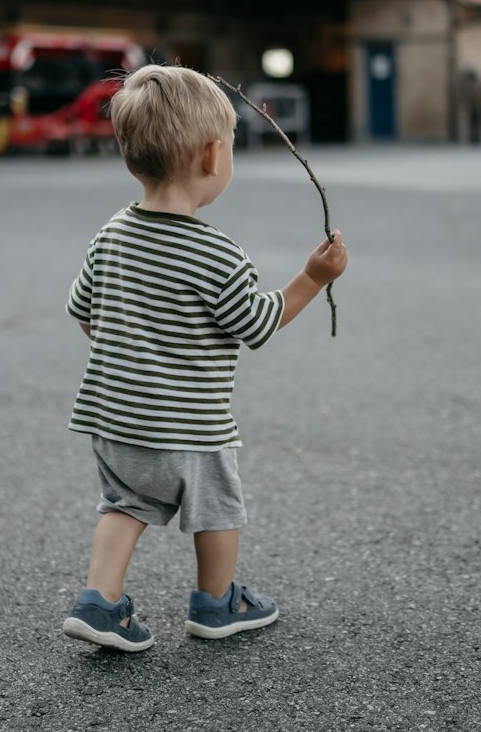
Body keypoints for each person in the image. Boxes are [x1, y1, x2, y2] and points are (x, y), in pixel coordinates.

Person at [63, 64, 348, 652]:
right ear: (214, 157)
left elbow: (85, 311)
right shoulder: (216, 252)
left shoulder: (109, 234)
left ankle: (100, 602)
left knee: (124, 505)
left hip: (115, 420)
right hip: (192, 426)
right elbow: (259, 322)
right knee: (218, 510)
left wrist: (131, 354)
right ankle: (216, 603)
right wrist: (312, 277)